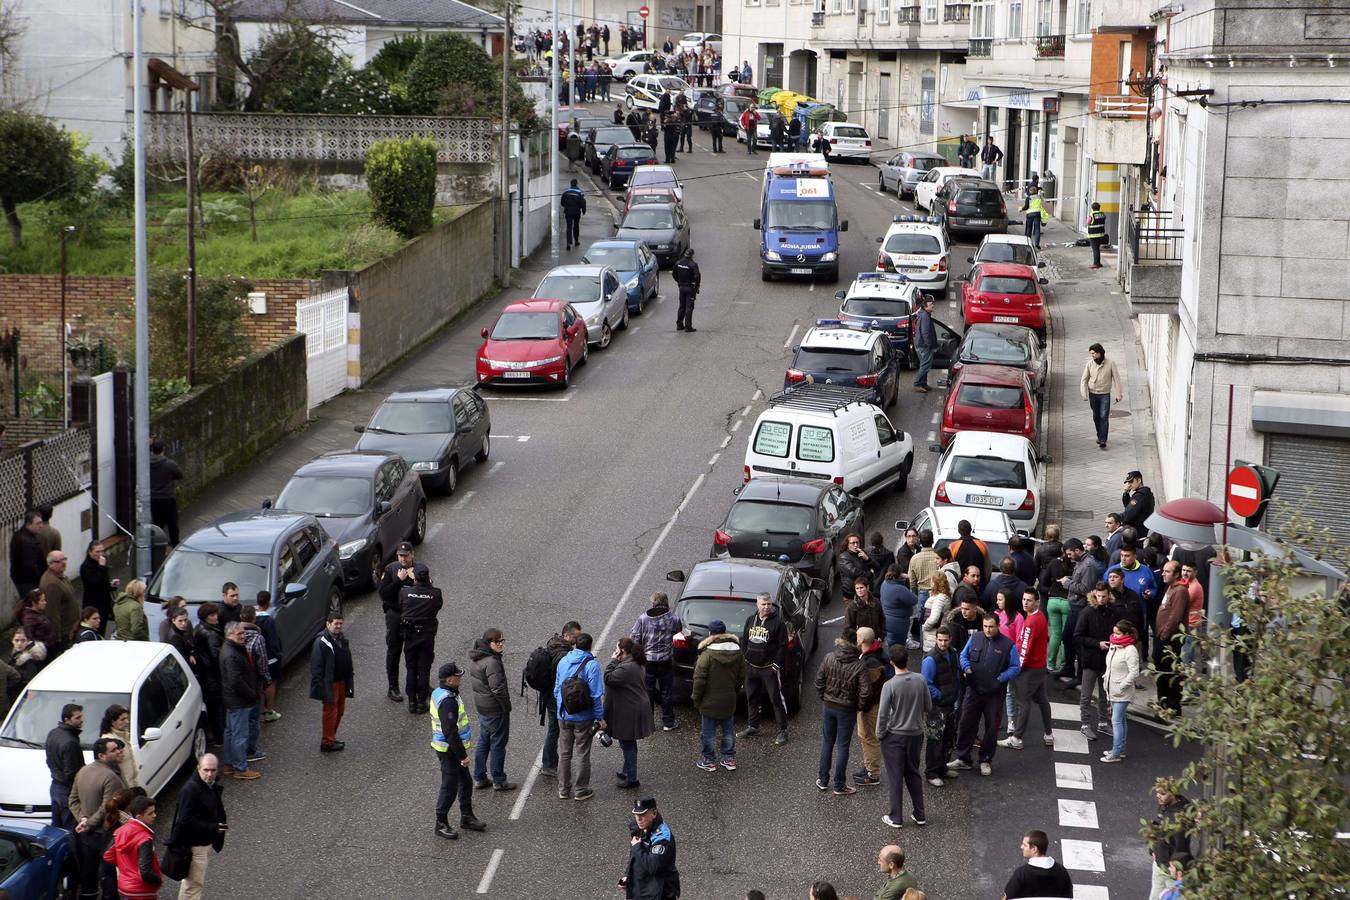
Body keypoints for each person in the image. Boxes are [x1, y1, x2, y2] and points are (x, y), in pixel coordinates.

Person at [951, 614, 1020, 776]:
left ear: (998, 626)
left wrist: (1001, 678)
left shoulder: (1008, 645)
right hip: (973, 690)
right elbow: (963, 656)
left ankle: (985, 760)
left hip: (994, 694)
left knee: (991, 728)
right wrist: (966, 668)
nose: (988, 630)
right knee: (966, 723)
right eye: (985, 626)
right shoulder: (975, 638)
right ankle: (962, 758)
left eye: (991, 627)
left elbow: (1015, 667)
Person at [814, 628, 874, 795]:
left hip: (829, 706)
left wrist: (824, 697)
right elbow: (866, 692)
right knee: (843, 746)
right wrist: (859, 706)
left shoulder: (829, 657)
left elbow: (819, 681)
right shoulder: (859, 665)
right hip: (847, 710)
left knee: (827, 743)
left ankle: (823, 780)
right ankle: (839, 785)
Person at [875, 645, 930, 828]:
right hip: (915, 734)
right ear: (907, 659)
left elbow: (883, 715)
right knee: (913, 773)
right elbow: (928, 706)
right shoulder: (920, 680)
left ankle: (896, 816)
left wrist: (880, 734)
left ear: (891, 662)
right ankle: (919, 814)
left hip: (894, 737)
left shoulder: (889, 685)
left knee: (895, 776)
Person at [431, 662, 486, 838]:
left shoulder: (443, 693)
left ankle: (467, 817)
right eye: (458, 676)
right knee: (450, 786)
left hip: (451, 747)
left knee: (466, 782)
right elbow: (450, 732)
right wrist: (462, 756)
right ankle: (440, 823)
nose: (460, 678)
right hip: (448, 750)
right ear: (449, 680)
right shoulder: (447, 701)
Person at [69, 736, 127, 900]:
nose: (118, 751)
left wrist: (83, 820)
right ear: (102, 756)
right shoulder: (111, 777)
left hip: (86, 833)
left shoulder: (83, 770)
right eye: (113, 750)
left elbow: (72, 800)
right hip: (104, 833)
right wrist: (89, 823)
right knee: (108, 871)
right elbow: (106, 807)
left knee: (88, 871)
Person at [554, 632, 606, 801]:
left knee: (564, 753)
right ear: (590, 646)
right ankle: (581, 789)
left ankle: (563, 789)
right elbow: (596, 695)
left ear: (575, 644)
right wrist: (599, 717)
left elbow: (557, 688)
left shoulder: (563, 661)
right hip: (583, 718)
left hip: (564, 715)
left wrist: (561, 708)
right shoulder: (592, 665)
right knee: (582, 753)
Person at [167, 753, 226, 900]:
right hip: (195, 846)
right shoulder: (191, 790)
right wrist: (212, 828)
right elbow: (184, 821)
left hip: (203, 843)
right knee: (194, 886)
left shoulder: (208, 785)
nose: (210, 774)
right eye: (206, 770)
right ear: (198, 768)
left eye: (213, 770)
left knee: (190, 884)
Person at [1001, 590, 1055, 750]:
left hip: (1029, 669)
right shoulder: (1040, 617)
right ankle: (1048, 734)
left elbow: (1025, 648)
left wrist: (1016, 668)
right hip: (1039, 667)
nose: (1025, 603)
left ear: (1037, 602)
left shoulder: (1031, 622)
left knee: (1023, 703)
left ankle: (1016, 738)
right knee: (1042, 700)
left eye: (1029, 600)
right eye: (1024, 599)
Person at [691, 619, 744, 772]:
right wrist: (734, 691)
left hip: (709, 701)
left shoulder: (707, 655)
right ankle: (729, 759)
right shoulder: (738, 652)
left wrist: (696, 698)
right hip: (729, 699)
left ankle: (709, 761)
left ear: (711, 634)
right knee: (728, 731)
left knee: (708, 733)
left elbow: (699, 680)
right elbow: (741, 676)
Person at [467, 627, 516, 790]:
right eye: (497, 641)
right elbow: (497, 689)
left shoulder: (477, 658)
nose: (501, 644)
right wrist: (506, 706)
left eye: (502, 640)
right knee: (498, 744)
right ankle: (499, 779)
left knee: (484, 741)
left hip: (483, 708)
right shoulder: (492, 662)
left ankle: (480, 777)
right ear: (489, 643)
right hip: (495, 710)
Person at [739, 593, 790, 745]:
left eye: (769, 604)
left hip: (769, 669)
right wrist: (744, 658)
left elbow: (783, 646)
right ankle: (753, 726)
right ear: (757, 604)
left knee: (775, 699)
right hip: (751, 668)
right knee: (751, 697)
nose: (767, 607)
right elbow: (745, 640)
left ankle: (782, 731)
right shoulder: (750, 620)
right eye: (763, 604)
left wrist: (776, 664)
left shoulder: (778, 624)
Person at [604, 637, 654, 789]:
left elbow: (608, 677)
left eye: (617, 648)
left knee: (627, 744)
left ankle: (632, 778)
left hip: (630, 710)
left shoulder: (626, 668)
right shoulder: (633, 663)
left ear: (623, 650)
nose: (615, 650)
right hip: (633, 707)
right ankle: (627, 771)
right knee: (628, 742)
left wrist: (613, 660)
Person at [629, 592, 680, 731]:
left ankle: (648, 722)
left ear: (653, 603)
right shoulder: (674, 618)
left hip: (648, 661)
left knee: (648, 691)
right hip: (666, 661)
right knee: (666, 691)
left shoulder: (643, 619)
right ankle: (668, 722)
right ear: (666, 602)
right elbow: (677, 632)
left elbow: (634, 638)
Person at [378, 542, 422, 702]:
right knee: (394, 651)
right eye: (400, 555)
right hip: (395, 615)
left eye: (406, 555)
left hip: (414, 617)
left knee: (416, 651)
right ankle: (393, 687)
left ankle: (419, 683)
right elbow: (383, 593)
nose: (403, 558)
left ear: (412, 554)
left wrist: (416, 581)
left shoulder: (419, 570)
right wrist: (398, 580)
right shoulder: (391, 570)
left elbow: (427, 592)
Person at [538, 621, 582, 778]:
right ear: (566, 635)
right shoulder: (563, 655)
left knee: (553, 730)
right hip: (554, 699)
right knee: (554, 731)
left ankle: (550, 762)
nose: (577, 640)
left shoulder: (553, 644)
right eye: (575, 637)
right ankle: (548, 764)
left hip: (548, 696)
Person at [306, 613, 353, 754]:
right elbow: (316, 667)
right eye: (335, 624)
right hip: (330, 684)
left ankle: (331, 737)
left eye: (340, 623)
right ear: (328, 624)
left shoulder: (341, 639)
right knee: (330, 712)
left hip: (341, 681)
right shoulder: (321, 642)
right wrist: (322, 687)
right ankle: (327, 741)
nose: (338, 626)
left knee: (339, 711)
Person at [1074, 582, 1116, 741]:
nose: (1101, 599)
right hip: (1091, 659)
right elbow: (1077, 636)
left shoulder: (1113, 612)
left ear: (1109, 595)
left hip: (1107, 660)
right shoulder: (1087, 612)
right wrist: (1097, 644)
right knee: (1086, 695)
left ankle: (1103, 722)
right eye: (1098, 596)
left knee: (1104, 694)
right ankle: (1085, 724)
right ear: (1094, 595)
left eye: (1104, 596)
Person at [219, 622, 260, 779]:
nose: (243, 636)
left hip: (232, 699)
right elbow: (236, 680)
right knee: (239, 735)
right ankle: (241, 768)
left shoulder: (229, 648)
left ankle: (229, 764)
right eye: (239, 634)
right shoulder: (232, 654)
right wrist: (251, 693)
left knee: (230, 732)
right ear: (230, 636)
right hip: (239, 700)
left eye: (243, 633)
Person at [921, 627, 961, 786]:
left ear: (950, 639)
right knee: (935, 740)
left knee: (948, 738)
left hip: (950, 705)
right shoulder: (930, 659)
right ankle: (931, 772)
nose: (943, 643)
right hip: (936, 708)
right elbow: (926, 684)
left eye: (945, 640)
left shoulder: (953, 653)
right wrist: (941, 695)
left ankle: (942, 767)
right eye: (940, 640)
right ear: (936, 639)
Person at [399, 567, 442, 714]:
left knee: (411, 669)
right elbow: (438, 606)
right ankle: (422, 702)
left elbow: (400, 605)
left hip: (410, 636)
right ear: (428, 578)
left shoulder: (405, 592)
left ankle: (412, 701)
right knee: (424, 669)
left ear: (415, 578)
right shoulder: (435, 593)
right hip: (426, 636)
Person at [102, 795, 161, 900]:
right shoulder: (145, 838)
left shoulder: (120, 832)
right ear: (139, 817)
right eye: (150, 813)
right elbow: (145, 872)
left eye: (154, 811)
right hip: (142, 890)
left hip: (124, 888)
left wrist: (126, 868)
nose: (155, 815)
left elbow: (108, 855)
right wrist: (158, 881)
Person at [624, 796, 680, 899]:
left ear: (654, 813)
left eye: (642, 814)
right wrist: (627, 875)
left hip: (658, 893)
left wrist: (636, 847)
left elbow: (653, 866)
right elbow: (634, 856)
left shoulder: (662, 837)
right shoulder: (640, 827)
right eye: (636, 814)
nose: (638, 819)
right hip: (640, 889)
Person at [854, 626, 889, 787]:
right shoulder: (875, 654)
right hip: (871, 705)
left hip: (870, 707)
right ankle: (868, 765)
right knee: (865, 737)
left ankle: (873, 773)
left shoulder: (870, 662)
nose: (855, 638)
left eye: (857, 636)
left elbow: (869, 691)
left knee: (870, 738)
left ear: (861, 640)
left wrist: (861, 706)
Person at [1100, 619, 1140, 762]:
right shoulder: (1115, 646)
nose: (1114, 636)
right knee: (1121, 720)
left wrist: (1122, 685)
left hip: (1122, 691)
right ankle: (1120, 749)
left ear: (1127, 634)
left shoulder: (1130, 650)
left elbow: (1134, 672)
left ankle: (1116, 752)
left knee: (1116, 721)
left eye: (1118, 634)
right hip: (1113, 689)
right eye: (1114, 632)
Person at [1154, 560, 1188, 716]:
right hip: (1162, 637)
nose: (1163, 573)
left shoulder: (1180, 591)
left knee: (1169, 673)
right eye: (1163, 570)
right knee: (1162, 672)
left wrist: (1164, 635)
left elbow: (1175, 617)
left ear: (1176, 574)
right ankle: (1163, 702)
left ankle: (1171, 706)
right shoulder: (1170, 588)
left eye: (1167, 571)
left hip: (1169, 640)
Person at [45, 703, 85, 832]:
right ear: (67, 720)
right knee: (70, 830)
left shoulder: (53, 733)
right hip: (66, 791)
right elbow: (72, 773)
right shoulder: (70, 742)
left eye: (81, 717)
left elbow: (49, 760)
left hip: (55, 787)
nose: (81, 720)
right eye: (77, 718)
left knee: (56, 829)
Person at [1149, 786, 1192, 900]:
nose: (1158, 796)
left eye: (1162, 793)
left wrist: (1177, 869)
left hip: (1171, 870)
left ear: (1173, 794)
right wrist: (1152, 850)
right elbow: (1158, 827)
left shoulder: (1180, 816)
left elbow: (1181, 845)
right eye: (1157, 793)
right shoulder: (1165, 806)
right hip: (1159, 864)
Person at [1003, 829, 1074, 898]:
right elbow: (1068, 896)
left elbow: (1008, 897)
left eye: (1024, 845)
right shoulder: (1062, 871)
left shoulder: (1021, 873)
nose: (1021, 847)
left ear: (1034, 849)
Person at [1079, 343, 1124, 449]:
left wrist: (1119, 394)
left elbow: (1117, 379)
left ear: (1100, 353)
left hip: (1105, 394)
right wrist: (1084, 394)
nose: (1092, 356)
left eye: (1094, 353)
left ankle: (1103, 439)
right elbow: (1084, 380)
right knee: (1096, 417)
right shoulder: (1090, 364)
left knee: (1104, 416)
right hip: (1093, 394)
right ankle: (1099, 435)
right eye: (1091, 354)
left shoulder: (1111, 363)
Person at [192, 604, 224, 745]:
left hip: (206, 676)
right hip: (213, 678)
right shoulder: (210, 634)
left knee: (213, 709)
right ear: (205, 617)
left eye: (215, 614)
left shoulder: (199, 628)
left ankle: (216, 736)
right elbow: (216, 656)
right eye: (211, 615)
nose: (215, 617)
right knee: (216, 710)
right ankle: (219, 738)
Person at [39, 549, 78, 653]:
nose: (63, 563)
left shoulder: (61, 576)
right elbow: (52, 613)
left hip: (71, 629)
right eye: (59, 561)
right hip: (64, 633)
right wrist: (58, 638)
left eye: (64, 559)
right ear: (50, 564)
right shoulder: (52, 584)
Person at [148, 440, 184, 545]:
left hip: (154, 499)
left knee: (157, 524)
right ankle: (174, 544)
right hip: (168, 498)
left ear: (152, 450)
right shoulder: (170, 464)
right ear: (163, 449)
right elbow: (180, 475)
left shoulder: (146, 464)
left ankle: (158, 547)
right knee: (172, 524)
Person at [255, 591, 283, 723]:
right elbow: (273, 642)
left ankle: (258, 710)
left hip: (255, 658)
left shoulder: (251, 618)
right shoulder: (269, 621)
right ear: (269, 602)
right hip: (270, 658)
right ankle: (268, 710)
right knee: (271, 683)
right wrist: (279, 655)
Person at [79, 541, 118, 635]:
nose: (100, 554)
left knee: (102, 629)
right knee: (95, 630)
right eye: (97, 552)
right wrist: (102, 567)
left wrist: (112, 585)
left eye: (102, 551)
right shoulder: (86, 567)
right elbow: (94, 584)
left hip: (104, 604)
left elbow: (103, 582)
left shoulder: (101, 563)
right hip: (93, 604)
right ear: (90, 552)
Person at [100, 704, 141, 788]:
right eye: (122, 719)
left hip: (133, 784)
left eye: (127, 718)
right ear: (112, 722)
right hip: (124, 788)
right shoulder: (109, 741)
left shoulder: (124, 735)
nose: (127, 722)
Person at [880, 566, 919, 652]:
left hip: (888, 620)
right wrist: (903, 582)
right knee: (899, 648)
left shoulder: (885, 583)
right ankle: (897, 664)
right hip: (899, 623)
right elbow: (914, 600)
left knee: (892, 645)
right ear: (899, 574)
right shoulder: (900, 589)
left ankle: (891, 663)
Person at [9, 511, 46, 598]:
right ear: (29, 524)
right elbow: (30, 567)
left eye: (41, 522)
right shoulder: (28, 542)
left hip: (22, 580)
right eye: (38, 523)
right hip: (29, 583)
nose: (41, 526)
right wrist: (41, 581)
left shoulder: (19, 535)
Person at [911, 295, 937, 393]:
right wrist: (929, 344)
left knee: (924, 364)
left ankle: (923, 383)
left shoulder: (924, 314)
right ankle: (917, 384)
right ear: (925, 307)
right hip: (924, 346)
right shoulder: (925, 316)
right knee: (926, 365)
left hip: (922, 344)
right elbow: (925, 332)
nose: (933, 306)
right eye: (931, 304)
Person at [672, 247, 701, 332]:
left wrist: (679, 282)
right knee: (689, 307)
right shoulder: (693, 265)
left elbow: (674, 274)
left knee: (682, 306)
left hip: (681, 287)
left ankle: (679, 324)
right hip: (690, 288)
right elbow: (697, 277)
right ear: (692, 255)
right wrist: (696, 286)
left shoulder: (678, 263)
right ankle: (688, 326)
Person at [1121, 470, 1156, 539]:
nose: (1129, 485)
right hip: (1141, 530)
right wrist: (1126, 493)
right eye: (1128, 482)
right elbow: (1128, 506)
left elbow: (1128, 514)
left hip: (1135, 533)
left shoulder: (1139, 496)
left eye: (1131, 481)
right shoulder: (1147, 493)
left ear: (1139, 480)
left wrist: (1119, 519)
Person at [560, 177, 587, 250]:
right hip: (576, 212)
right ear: (577, 183)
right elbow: (583, 203)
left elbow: (562, 203)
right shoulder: (580, 192)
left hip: (568, 212)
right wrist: (584, 210)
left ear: (570, 184)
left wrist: (567, 206)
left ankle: (568, 242)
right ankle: (576, 241)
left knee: (568, 227)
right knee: (576, 226)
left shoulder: (566, 192)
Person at [1086, 201, 1107, 267]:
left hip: (1093, 235)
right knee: (1097, 248)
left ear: (1092, 208)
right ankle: (1098, 263)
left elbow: (1088, 222)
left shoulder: (1091, 215)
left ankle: (1096, 264)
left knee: (1095, 249)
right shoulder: (1102, 214)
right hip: (1101, 234)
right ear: (1099, 208)